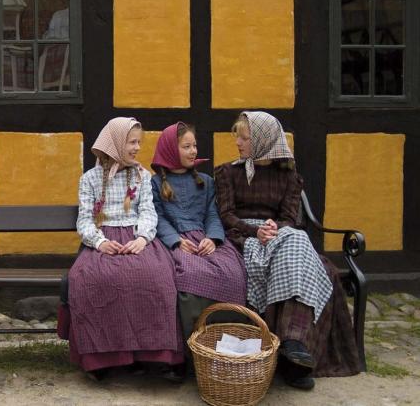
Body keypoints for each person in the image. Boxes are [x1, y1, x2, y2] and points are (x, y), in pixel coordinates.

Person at [214, 111, 360, 390]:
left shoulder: (288, 175)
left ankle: (294, 350)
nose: (238, 143)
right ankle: (293, 354)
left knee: (296, 241)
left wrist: (274, 228)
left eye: (244, 138)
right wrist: (254, 231)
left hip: (280, 235)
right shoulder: (228, 172)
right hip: (243, 237)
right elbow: (226, 215)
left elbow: (291, 219)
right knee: (301, 250)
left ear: (263, 141)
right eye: (238, 137)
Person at [57, 117, 184, 381]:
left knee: (157, 277)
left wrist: (142, 238)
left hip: (136, 237)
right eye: (131, 142)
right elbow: (85, 220)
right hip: (103, 238)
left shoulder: (142, 176)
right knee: (91, 279)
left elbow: (149, 212)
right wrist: (100, 241)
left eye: (139, 142)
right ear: (115, 144)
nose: (137, 148)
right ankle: (102, 359)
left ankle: (155, 356)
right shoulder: (90, 179)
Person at [149, 122, 247, 345]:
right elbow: (158, 217)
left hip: (204, 238)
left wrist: (212, 239)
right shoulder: (155, 184)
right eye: (186, 146)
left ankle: (226, 343)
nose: (193, 151)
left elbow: (213, 214)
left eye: (194, 146)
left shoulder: (206, 182)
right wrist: (175, 240)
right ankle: (191, 346)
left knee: (233, 272)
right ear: (171, 150)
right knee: (188, 274)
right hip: (174, 241)